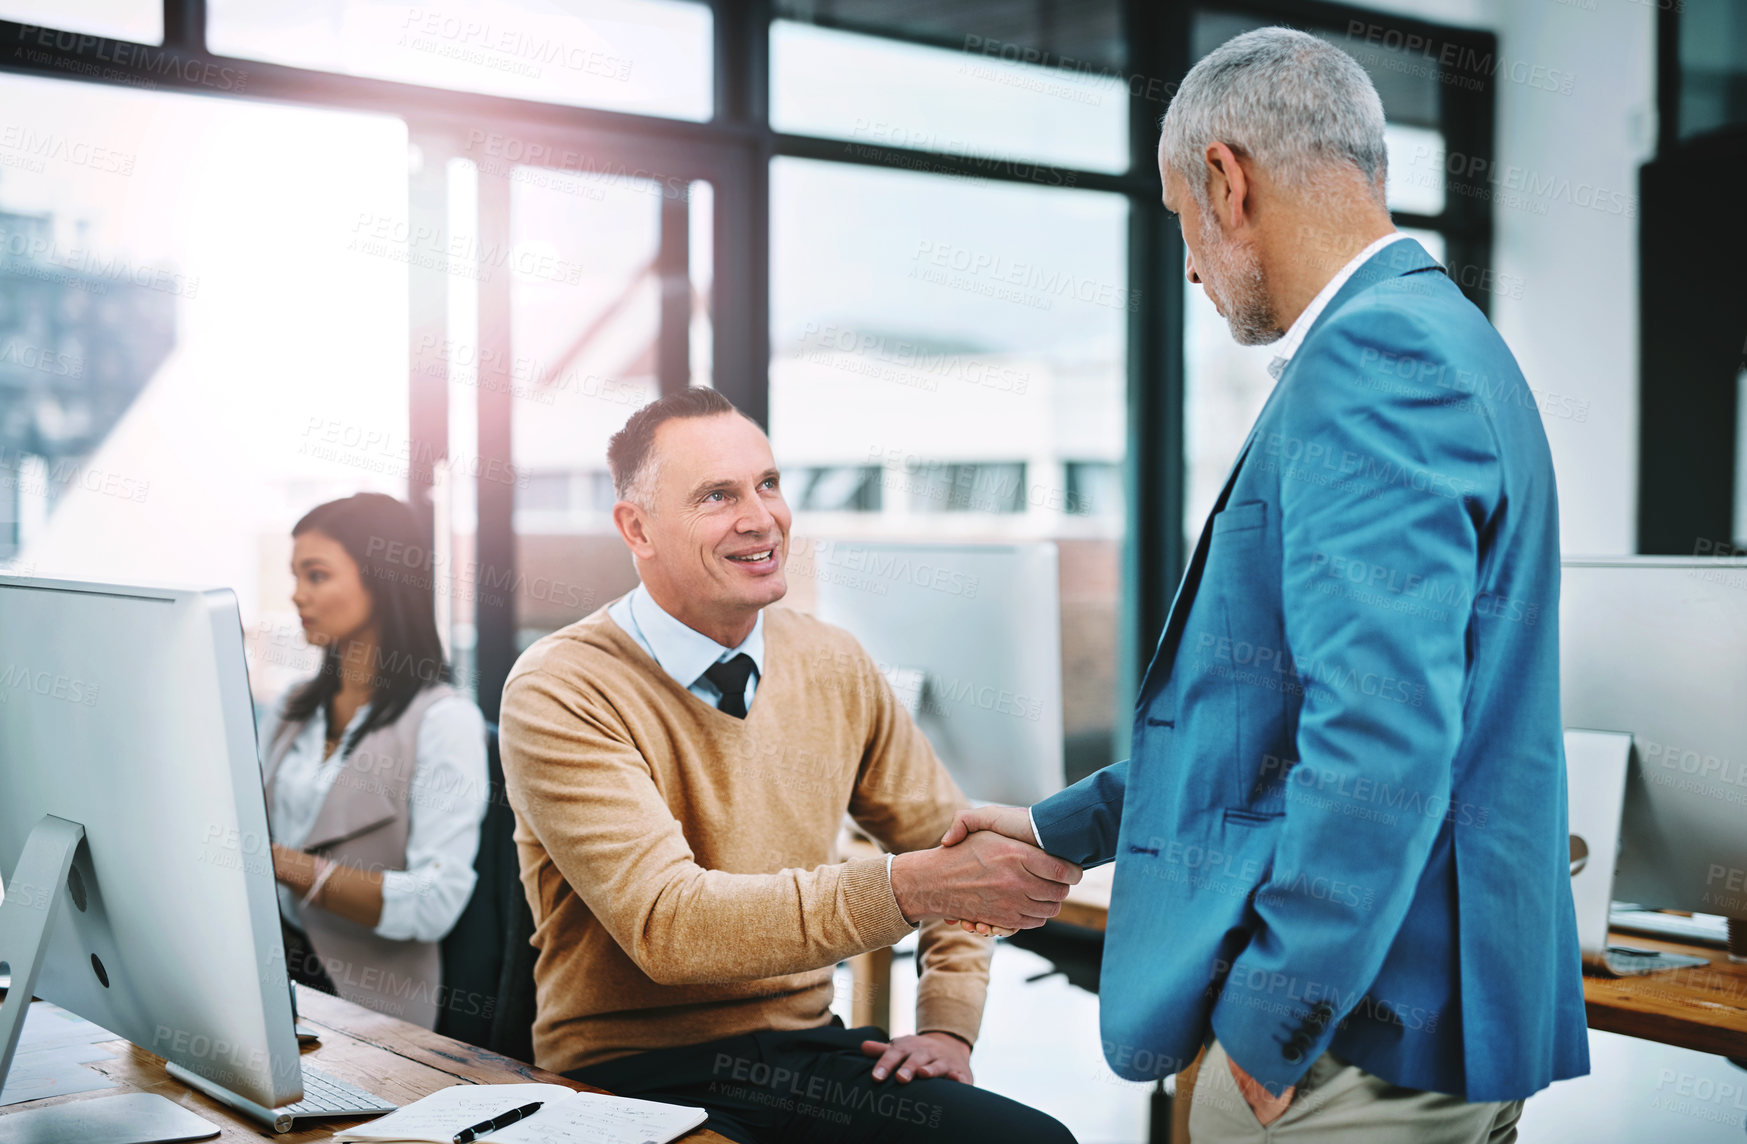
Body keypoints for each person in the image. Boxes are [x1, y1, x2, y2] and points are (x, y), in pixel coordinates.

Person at [942, 26, 1589, 1142]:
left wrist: (1265, 1022)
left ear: (1225, 181)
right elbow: (1269, 712)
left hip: (1357, 1030)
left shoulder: (1376, 362)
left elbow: (1379, 739)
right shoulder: (1436, 335)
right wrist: (1071, 826)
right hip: (1409, 1012)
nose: (1188, 266)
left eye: (1179, 222)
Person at [497, 387, 1079, 1143]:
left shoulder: (830, 660)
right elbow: (671, 928)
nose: (760, 517)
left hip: (802, 1054)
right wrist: (909, 887)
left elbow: (954, 852)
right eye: (717, 495)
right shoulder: (562, 686)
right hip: (628, 1072)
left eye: (767, 484)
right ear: (635, 528)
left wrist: (948, 1028)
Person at [264, 492, 488, 1030]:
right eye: (295, 577)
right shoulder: (292, 708)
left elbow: (436, 901)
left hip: (370, 1010)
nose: (297, 596)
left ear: (382, 578)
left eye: (316, 576)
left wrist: (274, 861)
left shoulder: (443, 721)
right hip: (272, 983)